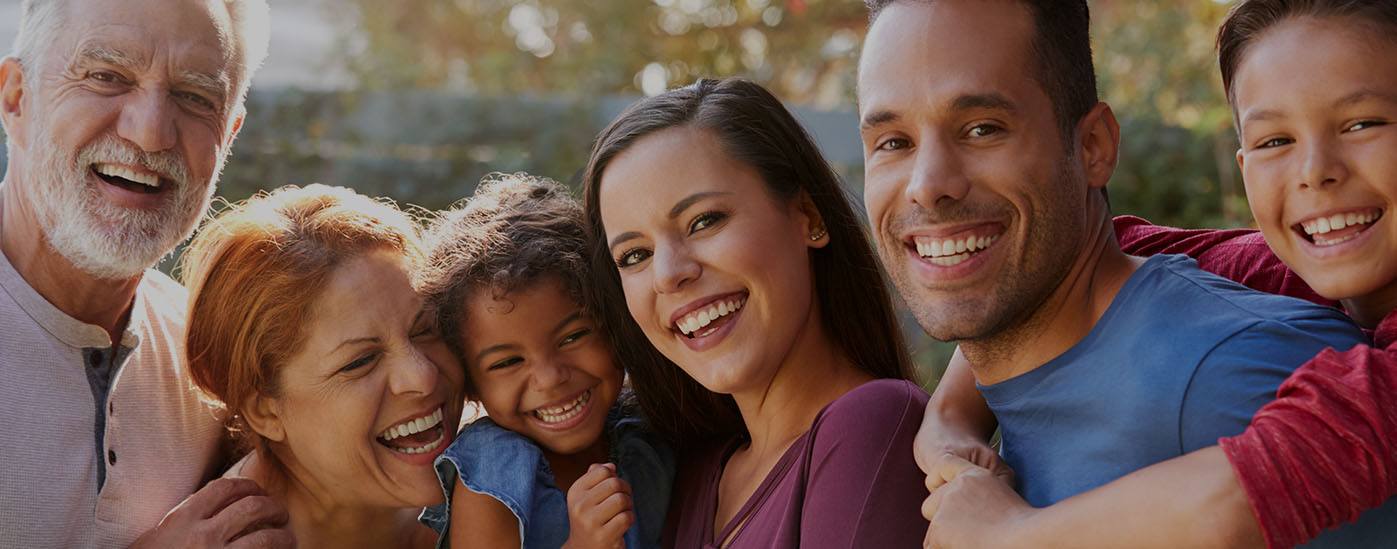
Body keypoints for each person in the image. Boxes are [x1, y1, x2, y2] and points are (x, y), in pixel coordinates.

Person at [853, 0, 1392, 547]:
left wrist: (1014, 534)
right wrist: (946, 418)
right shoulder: (1270, 263)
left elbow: (1247, 488)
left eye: (983, 128)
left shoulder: (1243, 381)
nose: (1316, 172)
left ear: (1094, 147)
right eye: (892, 142)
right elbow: (1113, 244)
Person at [582, 77, 929, 548]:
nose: (668, 274)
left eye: (704, 221)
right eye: (634, 256)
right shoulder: (695, 474)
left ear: (809, 216)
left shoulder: (874, 424)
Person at [0, 0, 281, 546]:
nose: (151, 133)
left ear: (228, 136)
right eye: (107, 76)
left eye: (196, 97)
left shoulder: (210, 362)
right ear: (16, 98)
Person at [180, 184, 466, 548]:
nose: (423, 376)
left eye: (426, 330)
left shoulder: (512, 479)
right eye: (361, 361)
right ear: (264, 411)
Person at [414, 173, 675, 549]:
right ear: (469, 382)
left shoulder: (650, 429)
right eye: (507, 362)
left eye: (572, 337)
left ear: (614, 322)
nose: (550, 378)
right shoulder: (491, 473)